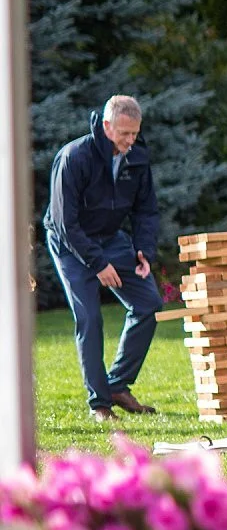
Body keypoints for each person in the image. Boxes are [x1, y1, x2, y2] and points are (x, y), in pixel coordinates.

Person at [44, 95, 162, 423]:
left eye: (134, 133)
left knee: (149, 304)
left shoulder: (136, 156)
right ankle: (100, 403)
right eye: (124, 133)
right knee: (90, 319)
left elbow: (146, 209)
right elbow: (66, 222)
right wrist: (97, 264)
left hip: (111, 240)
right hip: (70, 244)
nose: (130, 140)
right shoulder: (74, 157)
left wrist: (144, 249)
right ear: (107, 126)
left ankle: (118, 385)